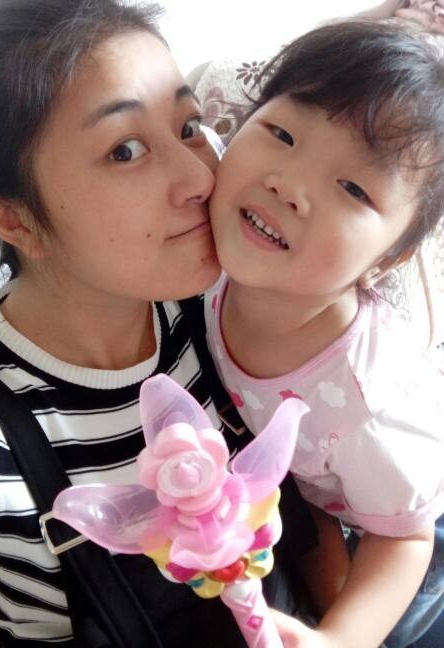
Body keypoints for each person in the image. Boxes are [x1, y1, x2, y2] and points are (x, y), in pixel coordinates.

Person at [0, 1, 321, 645]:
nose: (200, 177)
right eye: (125, 150)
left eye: (189, 127)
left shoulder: (223, 313)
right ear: (15, 219)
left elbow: (318, 515)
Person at [205, 20, 444, 648]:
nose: (289, 185)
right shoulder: (203, 255)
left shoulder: (368, 406)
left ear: (387, 259)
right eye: (282, 134)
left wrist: (342, 638)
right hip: (310, 489)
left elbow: (406, 537)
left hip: (401, 520)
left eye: (353, 188)